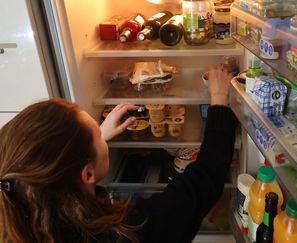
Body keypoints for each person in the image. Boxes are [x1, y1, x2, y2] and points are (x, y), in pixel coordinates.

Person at [0, 64, 237, 243]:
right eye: (96, 132)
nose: (102, 133)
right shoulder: (131, 231)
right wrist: (218, 98)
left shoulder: (17, 216)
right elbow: (204, 178)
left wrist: (95, 140)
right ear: (88, 174)